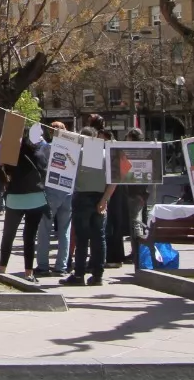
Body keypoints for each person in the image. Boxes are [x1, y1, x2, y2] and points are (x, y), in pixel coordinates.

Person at [63, 127, 115, 287]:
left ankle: (79, 274)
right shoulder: (107, 155)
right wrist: (104, 200)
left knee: (82, 239)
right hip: (100, 197)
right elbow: (114, 181)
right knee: (99, 238)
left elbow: (66, 173)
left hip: (82, 197)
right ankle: (98, 275)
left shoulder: (77, 154)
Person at [0, 128, 50, 279]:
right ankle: (29, 272)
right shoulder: (41, 153)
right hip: (36, 199)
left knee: (8, 235)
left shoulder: (12, 154)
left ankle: (2, 269)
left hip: (15, 199)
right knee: (30, 237)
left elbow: (5, 171)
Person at [36, 121, 74, 278]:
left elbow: (40, 166)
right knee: (64, 229)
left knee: (45, 229)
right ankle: (61, 266)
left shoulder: (47, 148)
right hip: (69, 192)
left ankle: (43, 266)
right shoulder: (74, 149)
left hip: (51, 191)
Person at [121, 127, 153, 263]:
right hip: (138, 193)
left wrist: (140, 194)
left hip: (136, 194)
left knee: (136, 224)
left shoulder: (135, 153)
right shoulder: (145, 152)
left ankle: (138, 254)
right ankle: (136, 252)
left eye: (127, 137)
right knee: (136, 223)